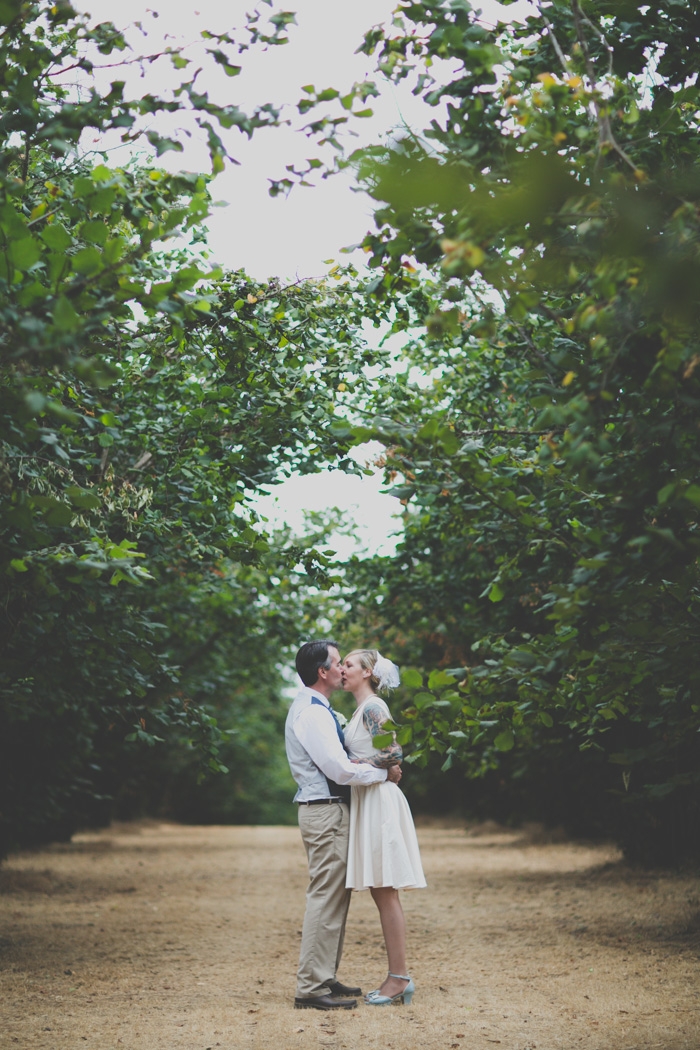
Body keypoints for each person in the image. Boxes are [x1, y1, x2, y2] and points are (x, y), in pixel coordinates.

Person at [285, 639, 402, 1011]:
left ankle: (323, 976)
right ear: (323, 671)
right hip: (325, 810)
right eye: (337, 663)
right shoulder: (314, 713)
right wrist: (382, 775)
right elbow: (339, 769)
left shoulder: (319, 708)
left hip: (331, 809)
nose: (342, 668)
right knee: (325, 895)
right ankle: (310, 987)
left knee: (335, 895)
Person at [341, 648, 426, 1006]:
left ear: (367, 672)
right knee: (380, 890)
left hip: (380, 802)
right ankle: (398, 975)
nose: (341, 669)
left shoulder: (374, 707)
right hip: (369, 800)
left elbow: (394, 753)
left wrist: (353, 761)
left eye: (348, 665)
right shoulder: (362, 709)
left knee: (386, 890)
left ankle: (399, 977)